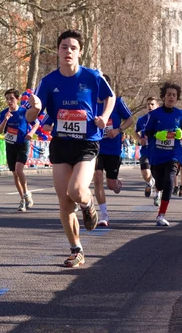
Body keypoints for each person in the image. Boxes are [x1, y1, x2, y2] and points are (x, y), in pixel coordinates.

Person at [26, 29, 115, 267]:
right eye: (64, 47)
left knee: (76, 191)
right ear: (58, 50)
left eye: (73, 48)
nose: (68, 51)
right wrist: (34, 108)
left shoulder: (92, 76)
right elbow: (30, 115)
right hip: (61, 143)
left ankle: (88, 204)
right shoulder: (49, 81)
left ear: (80, 52)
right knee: (64, 202)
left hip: (87, 143)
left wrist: (105, 116)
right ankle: (76, 250)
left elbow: (111, 97)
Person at [144, 82, 182, 227]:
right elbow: (147, 132)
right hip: (157, 155)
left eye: (174, 95)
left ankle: (161, 214)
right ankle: (156, 187)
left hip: (174, 154)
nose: (171, 97)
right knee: (160, 183)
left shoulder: (180, 114)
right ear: (163, 97)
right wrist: (157, 134)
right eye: (169, 94)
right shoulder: (154, 114)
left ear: (177, 98)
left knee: (170, 181)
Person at [93, 74, 133, 227]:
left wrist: (118, 130)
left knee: (111, 185)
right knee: (97, 177)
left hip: (113, 148)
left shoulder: (117, 102)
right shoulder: (90, 102)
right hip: (96, 147)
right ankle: (104, 214)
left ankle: (116, 183)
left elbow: (130, 120)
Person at [0, 88, 39, 212]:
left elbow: (37, 123)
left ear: (17, 99)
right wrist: (6, 119)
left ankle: (26, 193)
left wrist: (31, 132)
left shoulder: (24, 111)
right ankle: (23, 199)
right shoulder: (4, 113)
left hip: (23, 143)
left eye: (12, 99)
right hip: (10, 145)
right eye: (7, 99)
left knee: (19, 169)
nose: (9, 101)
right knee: (15, 174)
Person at [135, 96, 160, 205]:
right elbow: (135, 132)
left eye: (152, 104)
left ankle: (157, 195)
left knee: (158, 174)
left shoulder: (161, 119)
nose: (150, 106)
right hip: (146, 150)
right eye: (148, 104)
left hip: (159, 150)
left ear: (157, 106)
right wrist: (140, 139)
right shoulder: (141, 120)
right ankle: (150, 182)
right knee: (145, 173)